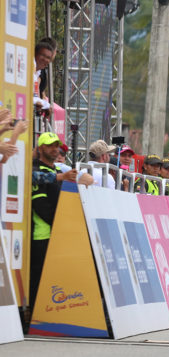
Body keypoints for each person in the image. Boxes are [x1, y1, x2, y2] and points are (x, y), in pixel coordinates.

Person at [30, 132, 78, 314]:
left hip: (59, 232)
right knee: (38, 277)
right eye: (50, 145)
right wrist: (59, 224)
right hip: (42, 234)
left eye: (56, 145)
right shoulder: (36, 169)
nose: (55, 148)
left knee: (55, 277)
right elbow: (40, 205)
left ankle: (53, 314)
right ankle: (35, 317)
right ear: (41, 148)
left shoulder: (57, 171)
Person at [33, 38, 56, 112]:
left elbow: (35, 97)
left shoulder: (37, 73)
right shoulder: (29, 69)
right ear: (35, 54)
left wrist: (45, 105)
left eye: (48, 58)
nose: (45, 60)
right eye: (43, 55)